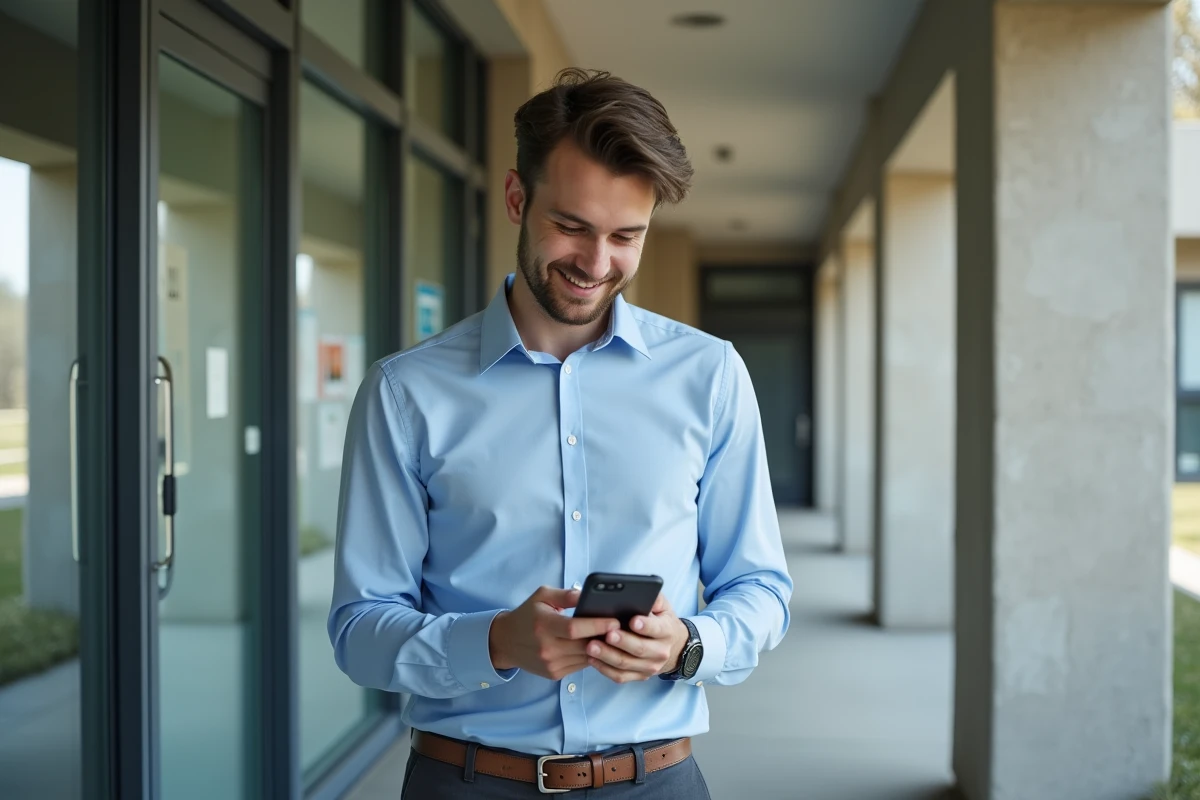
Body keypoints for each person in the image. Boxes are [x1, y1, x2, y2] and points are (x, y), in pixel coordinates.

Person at [328, 67, 793, 798]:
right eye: (571, 226)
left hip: (657, 780)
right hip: (465, 780)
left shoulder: (710, 376)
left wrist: (689, 643)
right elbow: (359, 631)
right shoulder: (405, 392)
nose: (597, 263)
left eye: (625, 236)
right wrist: (496, 643)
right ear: (518, 198)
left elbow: (760, 586)